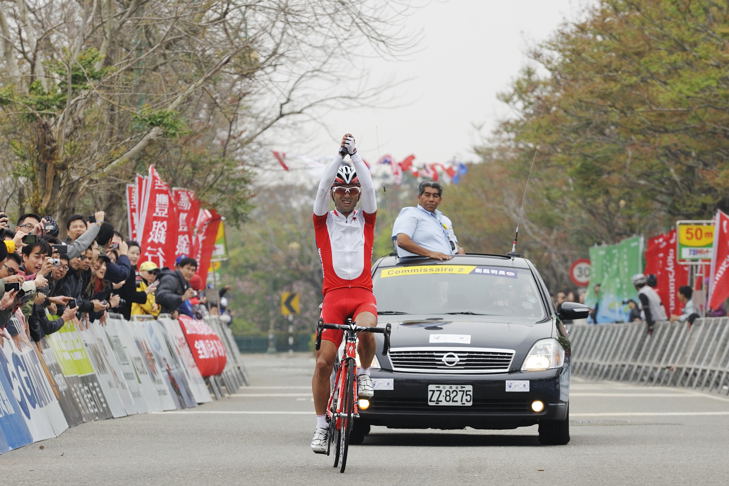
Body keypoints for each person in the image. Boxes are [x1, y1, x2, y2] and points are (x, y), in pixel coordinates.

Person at [310, 133, 377, 454]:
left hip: (363, 293)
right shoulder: (323, 222)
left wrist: (357, 155)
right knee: (323, 363)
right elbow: (321, 188)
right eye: (342, 190)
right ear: (335, 194)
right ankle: (321, 427)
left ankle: (364, 374)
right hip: (334, 297)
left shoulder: (367, 220)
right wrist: (340, 157)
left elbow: (372, 189)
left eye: (353, 190)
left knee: (367, 327)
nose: (348, 195)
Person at [391, 181, 463, 260]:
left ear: (440, 200)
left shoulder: (444, 220)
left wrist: (458, 250)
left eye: (435, 196)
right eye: (427, 195)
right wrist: (431, 254)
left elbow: (452, 244)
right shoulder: (411, 214)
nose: (431, 199)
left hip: (448, 267)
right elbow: (402, 241)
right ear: (419, 197)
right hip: (420, 268)